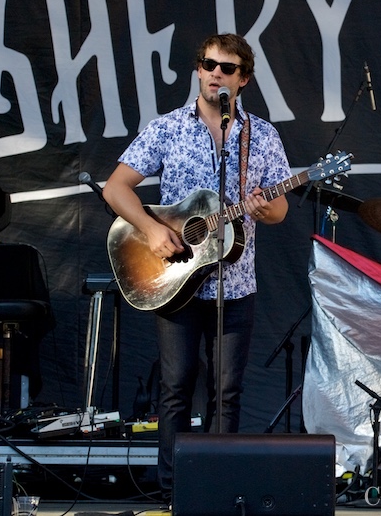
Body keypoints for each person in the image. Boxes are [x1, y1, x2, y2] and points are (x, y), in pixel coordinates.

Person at [102, 33, 291, 500]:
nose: (215, 74)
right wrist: (149, 229)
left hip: (235, 283)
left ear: (242, 79)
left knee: (227, 392)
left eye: (227, 68)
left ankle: (218, 488)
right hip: (175, 281)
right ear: (199, 70)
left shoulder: (261, 135)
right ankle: (173, 490)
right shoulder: (167, 127)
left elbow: (281, 207)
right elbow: (116, 189)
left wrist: (264, 208)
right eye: (208, 64)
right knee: (175, 387)